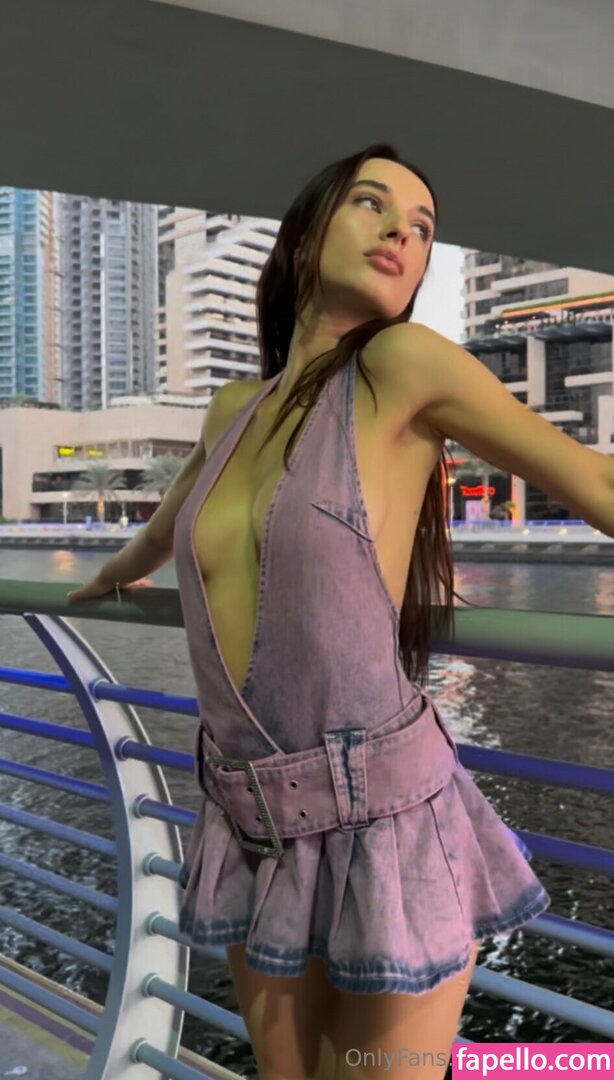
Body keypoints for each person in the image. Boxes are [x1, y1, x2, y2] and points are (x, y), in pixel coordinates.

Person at [67, 143, 614, 1080]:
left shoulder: (401, 364)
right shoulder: (234, 410)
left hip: (387, 826)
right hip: (250, 821)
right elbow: (167, 528)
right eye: (373, 204)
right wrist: (105, 575)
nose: (404, 231)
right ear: (306, 233)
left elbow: (595, 481)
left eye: (423, 227)